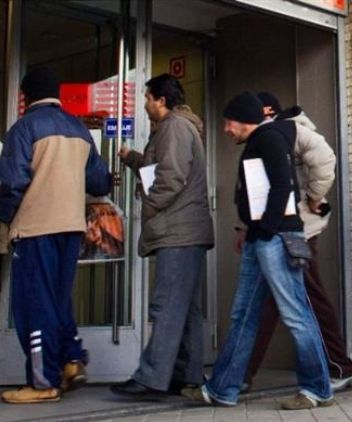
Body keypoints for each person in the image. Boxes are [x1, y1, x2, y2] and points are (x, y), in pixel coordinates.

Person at [183, 92, 332, 409]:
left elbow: (283, 187)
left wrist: (265, 229)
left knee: (296, 314)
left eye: (228, 122)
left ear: (242, 120)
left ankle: (317, 389)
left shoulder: (270, 138)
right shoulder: (261, 141)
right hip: (261, 238)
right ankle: (223, 388)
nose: (225, 129)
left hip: (275, 238)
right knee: (243, 316)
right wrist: (254, 231)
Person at [0, 67, 112, 404]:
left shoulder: (24, 129)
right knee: (58, 299)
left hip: (35, 227)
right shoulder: (78, 129)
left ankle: (42, 382)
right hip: (71, 227)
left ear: (26, 97)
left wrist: (5, 217)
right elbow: (100, 182)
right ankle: (71, 360)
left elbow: (11, 184)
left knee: (34, 304)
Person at [110, 74, 215, 399]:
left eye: (148, 98)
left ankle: (151, 378)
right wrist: (131, 159)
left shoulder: (173, 127)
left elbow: (170, 178)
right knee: (185, 308)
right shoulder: (179, 128)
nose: (145, 104)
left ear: (162, 100)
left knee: (167, 304)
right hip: (186, 230)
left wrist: (150, 206)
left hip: (178, 231)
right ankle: (186, 375)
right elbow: (161, 168)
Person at [243, 92, 352, 392]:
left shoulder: (293, 130)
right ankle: (240, 372)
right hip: (283, 231)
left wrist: (312, 200)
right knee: (268, 303)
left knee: (306, 300)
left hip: (298, 232)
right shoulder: (275, 133)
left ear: (267, 111)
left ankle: (338, 367)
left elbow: (325, 160)